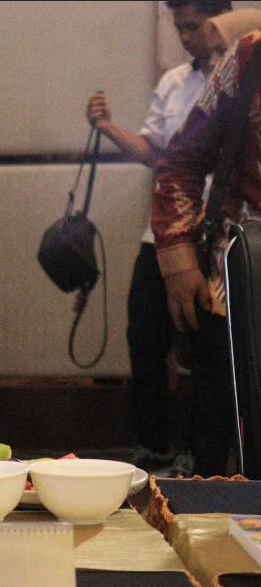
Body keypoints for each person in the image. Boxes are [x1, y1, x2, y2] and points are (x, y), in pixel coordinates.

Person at [85, 0, 231, 476]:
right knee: (145, 337)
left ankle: (203, 456)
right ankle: (153, 446)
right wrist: (108, 128)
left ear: (219, 22)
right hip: (165, 232)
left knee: (209, 352)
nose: (186, 36)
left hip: (221, 235)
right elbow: (155, 152)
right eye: (179, 27)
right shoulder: (174, 83)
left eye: (194, 26)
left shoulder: (243, 78)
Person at [150, 26, 261, 477]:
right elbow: (181, 162)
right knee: (221, 444)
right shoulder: (252, 55)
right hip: (241, 284)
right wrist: (178, 261)